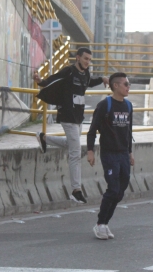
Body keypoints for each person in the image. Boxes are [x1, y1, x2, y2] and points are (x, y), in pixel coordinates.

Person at [34, 48, 108, 204]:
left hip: (78, 117)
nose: (88, 62)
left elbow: (90, 82)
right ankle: (76, 190)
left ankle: (44, 138)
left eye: (89, 59)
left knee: (70, 144)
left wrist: (102, 79)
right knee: (75, 152)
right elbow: (54, 79)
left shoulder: (85, 74)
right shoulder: (69, 71)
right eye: (85, 59)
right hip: (67, 116)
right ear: (78, 58)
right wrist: (41, 81)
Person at [87, 72, 134, 240]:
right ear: (116, 86)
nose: (129, 87)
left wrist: (129, 152)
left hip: (123, 154)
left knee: (120, 192)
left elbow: (128, 132)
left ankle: (105, 223)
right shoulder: (104, 105)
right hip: (109, 153)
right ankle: (100, 223)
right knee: (113, 189)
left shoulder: (128, 106)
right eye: (126, 84)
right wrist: (90, 150)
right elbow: (92, 130)